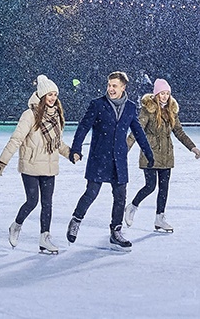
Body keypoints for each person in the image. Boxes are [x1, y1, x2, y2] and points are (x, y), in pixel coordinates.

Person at [66, 71, 156, 251]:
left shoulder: (130, 107)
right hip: (99, 157)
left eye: (115, 85)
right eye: (109, 85)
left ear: (123, 87)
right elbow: (84, 127)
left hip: (118, 158)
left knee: (120, 196)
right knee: (91, 192)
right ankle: (76, 220)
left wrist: (148, 152)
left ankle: (116, 231)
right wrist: (76, 148)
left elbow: (137, 131)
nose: (111, 88)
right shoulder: (98, 105)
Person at [0, 75, 71, 255]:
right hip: (30, 164)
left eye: (55, 94)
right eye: (49, 94)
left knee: (47, 203)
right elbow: (17, 139)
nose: (53, 98)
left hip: (49, 166)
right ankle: (16, 225)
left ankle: (45, 238)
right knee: (32, 201)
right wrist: (3, 160)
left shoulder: (56, 116)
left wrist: (70, 153)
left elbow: (58, 143)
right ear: (42, 95)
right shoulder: (30, 115)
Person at [124, 79, 200, 232]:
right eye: (162, 93)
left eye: (167, 93)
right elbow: (137, 131)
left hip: (166, 154)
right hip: (150, 154)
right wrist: (125, 149)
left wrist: (192, 147)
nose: (165, 96)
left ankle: (160, 219)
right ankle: (132, 207)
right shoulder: (148, 110)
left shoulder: (171, 110)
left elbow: (179, 131)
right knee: (150, 186)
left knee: (164, 188)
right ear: (156, 94)